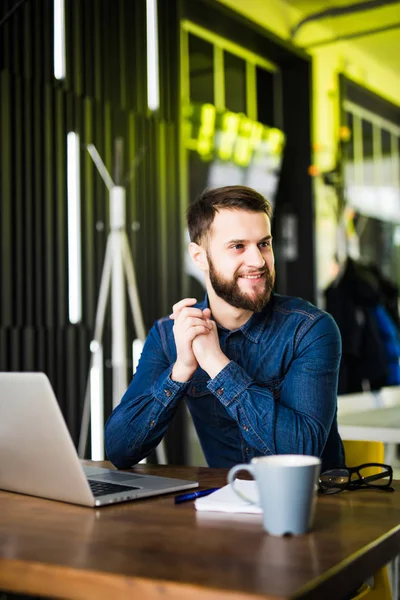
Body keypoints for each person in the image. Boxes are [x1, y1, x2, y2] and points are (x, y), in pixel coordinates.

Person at [105, 185, 344, 471]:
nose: (257, 261)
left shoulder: (309, 329)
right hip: (225, 505)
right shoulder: (171, 337)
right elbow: (119, 450)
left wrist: (216, 364)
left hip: (313, 504)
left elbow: (303, 453)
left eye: (264, 244)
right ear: (199, 257)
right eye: (238, 246)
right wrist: (180, 369)